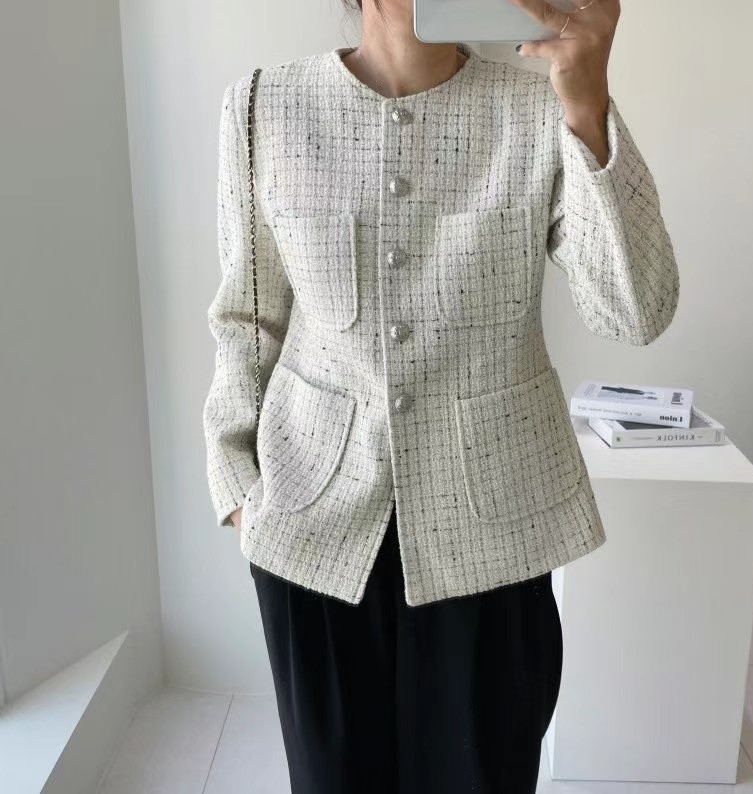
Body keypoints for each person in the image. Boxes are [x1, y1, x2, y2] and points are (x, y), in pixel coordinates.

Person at [202, 0, 679, 790]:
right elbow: (248, 319)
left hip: (494, 535)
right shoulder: (264, 106)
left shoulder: (539, 106)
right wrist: (237, 492)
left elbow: (637, 311)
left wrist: (589, 106)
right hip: (312, 526)